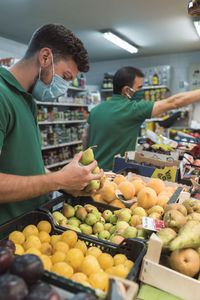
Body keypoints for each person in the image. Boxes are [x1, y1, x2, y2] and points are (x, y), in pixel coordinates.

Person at [0, 24, 103, 225]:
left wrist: (65, 180)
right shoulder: (2, 96)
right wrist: (58, 180)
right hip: (7, 238)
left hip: (31, 229)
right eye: (64, 77)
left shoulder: (27, 100)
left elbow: (26, 168)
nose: (63, 90)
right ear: (45, 57)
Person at [84, 66, 200, 170]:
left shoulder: (95, 111)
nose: (142, 91)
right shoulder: (133, 109)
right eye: (139, 87)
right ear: (126, 90)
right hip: (114, 175)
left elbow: (85, 140)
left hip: (92, 173)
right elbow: (174, 102)